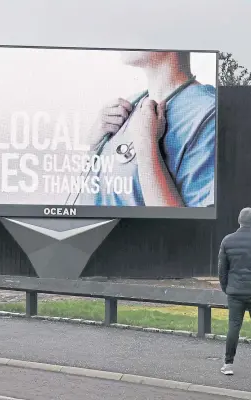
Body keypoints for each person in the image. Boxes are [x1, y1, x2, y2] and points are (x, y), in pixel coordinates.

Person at [78, 51, 215, 208]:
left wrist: (146, 147)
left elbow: (189, 229)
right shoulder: (124, 109)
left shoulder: (209, 116)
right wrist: (93, 150)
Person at [218, 207, 251, 375]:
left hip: (235, 292)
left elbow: (222, 270)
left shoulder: (228, 241)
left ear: (239, 221)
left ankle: (228, 364)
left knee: (234, 327)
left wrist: (227, 288)